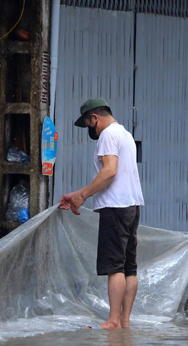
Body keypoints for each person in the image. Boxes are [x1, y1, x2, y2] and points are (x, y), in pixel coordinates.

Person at [58, 98, 145, 329]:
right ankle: (124, 320)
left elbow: (109, 172)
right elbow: (111, 177)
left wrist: (83, 196)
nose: (90, 129)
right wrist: (76, 194)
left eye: (88, 124)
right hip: (132, 206)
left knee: (114, 266)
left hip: (115, 209)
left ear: (94, 118)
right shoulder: (125, 134)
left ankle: (113, 320)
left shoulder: (107, 134)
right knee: (129, 268)